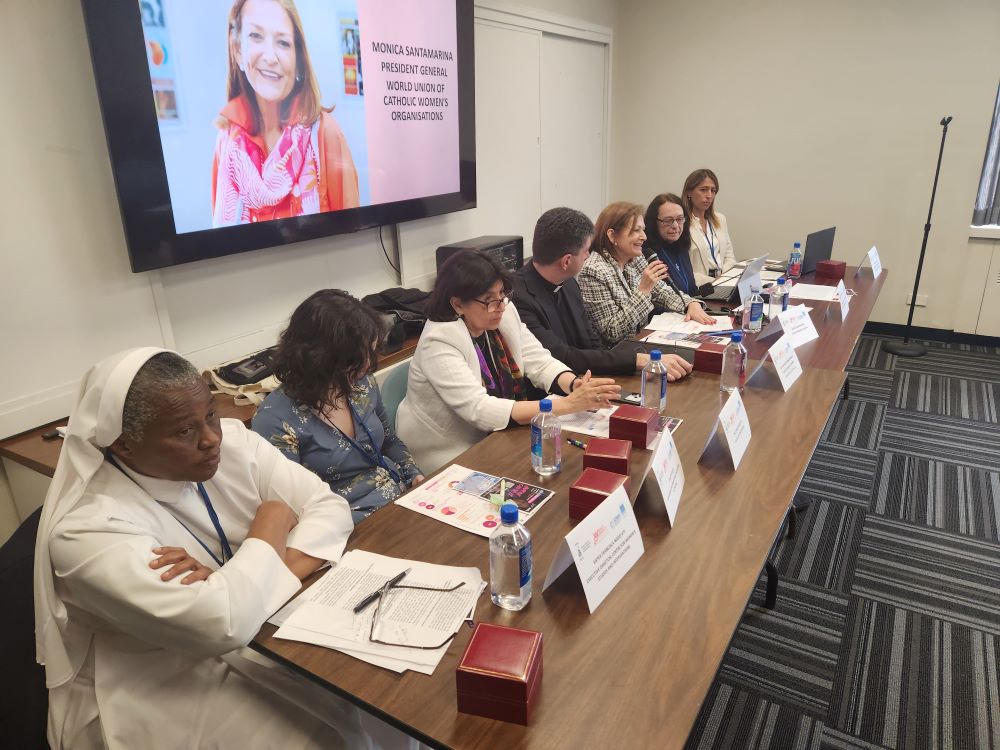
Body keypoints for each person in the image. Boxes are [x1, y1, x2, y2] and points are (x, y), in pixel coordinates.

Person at [32, 349, 408, 749]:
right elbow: (218, 623)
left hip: (258, 627)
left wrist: (237, 580)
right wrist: (272, 522)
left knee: (391, 702)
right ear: (124, 445)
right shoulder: (86, 530)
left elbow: (330, 508)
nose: (211, 438)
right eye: (183, 432)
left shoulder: (236, 443)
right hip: (157, 677)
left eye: (210, 415)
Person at [396, 250, 621, 473]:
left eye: (502, 294)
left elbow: (538, 359)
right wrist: (568, 405)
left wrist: (574, 384)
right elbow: (480, 409)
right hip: (447, 449)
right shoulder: (439, 340)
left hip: (497, 435)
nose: (500, 306)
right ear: (457, 304)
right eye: (488, 300)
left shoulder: (503, 311)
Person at [253, 290, 424, 525]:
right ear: (320, 356)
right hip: (342, 525)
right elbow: (290, 508)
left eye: (370, 351)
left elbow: (389, 442)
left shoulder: (361, 384)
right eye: (357, 356)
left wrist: (415, 475)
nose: (367, 364)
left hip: (398, 499)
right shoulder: (275, 419)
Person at [212, 0, 360, 227]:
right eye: (256, 36)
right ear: (238, 51)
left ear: (299, 60)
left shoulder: (324, 133)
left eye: (283, 42)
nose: (270, 57)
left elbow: (353, 235)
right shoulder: (226, 143)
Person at [512, 207, 693, 382]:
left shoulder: (567, 281)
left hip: (588, 378)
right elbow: (562, 355)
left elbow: (592, 341)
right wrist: (639, 361)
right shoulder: (518, 298)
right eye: (586, 251)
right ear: (566, 261)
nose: (588, 255)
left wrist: (622, 372)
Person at [577, 201, 714, 347]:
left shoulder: (635, 258)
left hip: (642, 343)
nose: (644, 237)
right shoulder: (593, 271)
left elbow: (662, 292)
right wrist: (643, 291)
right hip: (616, 356)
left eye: (643, 230)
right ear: (612, 236)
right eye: (636, 230)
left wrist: (690, 304)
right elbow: (612, 332)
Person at [682, 168, 736, 286]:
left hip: (724, 283)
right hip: (699, 287)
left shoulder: (720, 219)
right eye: (703, 190)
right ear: (689, 193)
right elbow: (683, 270)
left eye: (713, 190)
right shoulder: (681, 224)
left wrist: (724, 278)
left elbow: (729, 256)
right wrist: (713, 282)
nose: (709, 195)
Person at [643, 193, 700, 297]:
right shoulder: (647, 253)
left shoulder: (681, 247)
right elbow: (657, 300)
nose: (675, 226)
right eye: (668, 220)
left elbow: (692, 290)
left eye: (679, 219)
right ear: (653, 222)